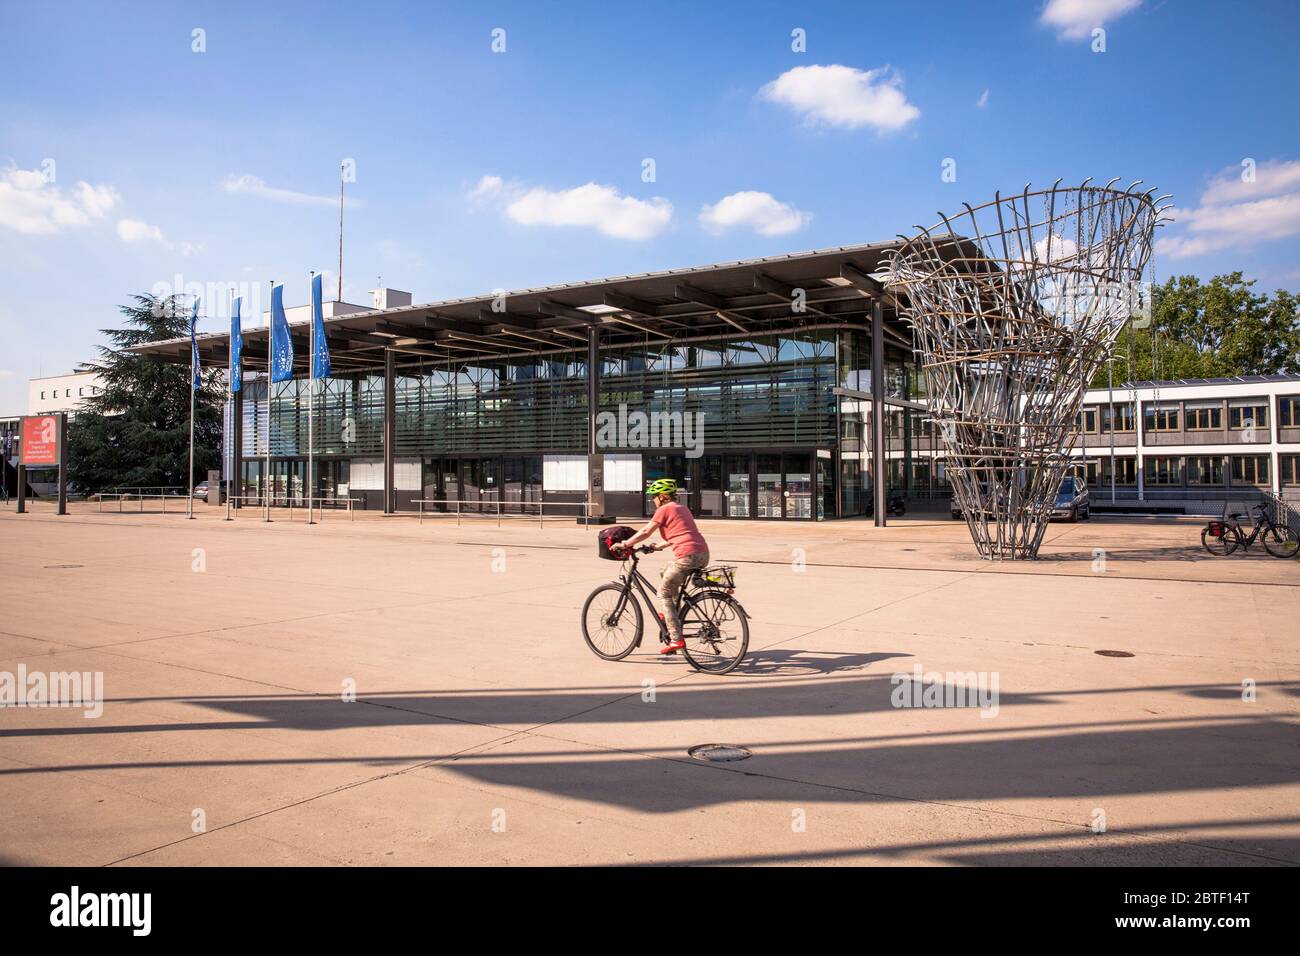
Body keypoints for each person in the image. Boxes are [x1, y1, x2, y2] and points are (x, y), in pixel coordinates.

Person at [614, 478, 710, 655]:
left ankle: (676, 639)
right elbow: (682, 533)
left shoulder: (664, 509)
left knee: (663, 593)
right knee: (665, 571)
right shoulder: (682, 509)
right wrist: (659, 546)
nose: (653, 500)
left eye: (655, 497)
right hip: (702, 554)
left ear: (664, 496)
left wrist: (625, 544)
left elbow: (645, 531)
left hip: (687, 556)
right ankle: (669, 614)